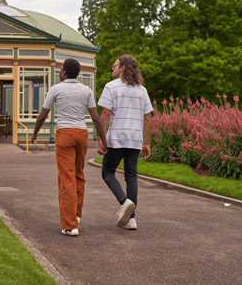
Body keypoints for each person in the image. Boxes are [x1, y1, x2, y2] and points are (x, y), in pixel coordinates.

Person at [31, 58, 107, 237]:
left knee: (66, 178)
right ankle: (77, 215)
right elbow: (96, 118)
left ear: (64, 72)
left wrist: (35, 134)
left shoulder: (56, 89)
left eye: (60, 69)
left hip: (64, 134)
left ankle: (69, 225)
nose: (59, 71)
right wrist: (104, 139)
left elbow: (43, 115)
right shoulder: (86, 90)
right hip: (82, 134)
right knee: (78, 175)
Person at [97, 54, 153, 230]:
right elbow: (148, 118)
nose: (112, 68)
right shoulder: (141, 90)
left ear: (122, 68)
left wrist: (102, 139)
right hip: (135, 139)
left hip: (117, 138)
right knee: (131, 177)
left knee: (107, 172)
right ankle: (131, 220)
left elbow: (105, 115)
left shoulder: (111, 87)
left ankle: (125, 202)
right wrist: (147, 142)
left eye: (115, 65)